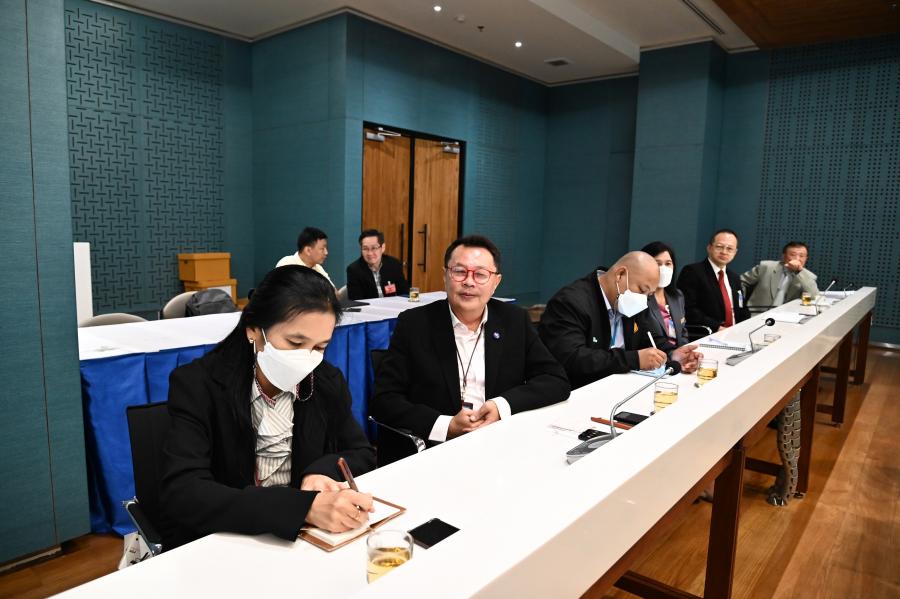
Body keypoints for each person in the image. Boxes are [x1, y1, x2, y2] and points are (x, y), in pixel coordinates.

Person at [160, 265, 376, 550]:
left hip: (302, 542)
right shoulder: (199, 384)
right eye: (295, 342)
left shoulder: (325, 380)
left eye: (320, 347)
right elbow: (184, 492)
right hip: (225, 540)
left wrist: (318, 472)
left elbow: (361, 453)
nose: (306, 359)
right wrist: (302, 508)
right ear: (254, 329)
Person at [371, 235, 570, 466]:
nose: (469, 282)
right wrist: (446, 426)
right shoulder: (414, 324)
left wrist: (501, 406)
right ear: (445, 275)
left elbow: (555, 380)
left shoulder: (514, 320)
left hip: (501, 445)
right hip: (437, 453)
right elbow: (384, 400)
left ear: (496, 282)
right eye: (459, 272)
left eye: (480, 274)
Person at [539, 251, 700, 390]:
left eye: (649, 295)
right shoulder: (571, 302)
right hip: (579, 391)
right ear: (620, 275)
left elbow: (647, 338)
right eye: (642, 290)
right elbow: (572, 358)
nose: (643, 300)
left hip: (621, 387)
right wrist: (633, 359)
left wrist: (672, 353)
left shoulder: (629, 302)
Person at [676, 229, 750, 332]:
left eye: (729, 248)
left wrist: (744, 328)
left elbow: (742, 308)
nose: (724, 252)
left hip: (735, 333)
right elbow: (688, 308)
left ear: (735, 252)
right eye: (719, 247)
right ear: (709, 248)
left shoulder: (734, 278)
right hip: (708, 333)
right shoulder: (693, 272)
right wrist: (717, 327)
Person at [638, 241, 691, 351]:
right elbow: (645, 338)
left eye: (668, 264)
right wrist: (673, 353)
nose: (664, 269)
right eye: (657, 263)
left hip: (679, 355)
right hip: (655, 356)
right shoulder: (639, 297)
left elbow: (683, 332)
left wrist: (685, 351)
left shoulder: (677, 296)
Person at [741, 241, 819, 308]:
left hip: (787, 317)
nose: (797, 259)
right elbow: (740, 282)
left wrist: (799, 272)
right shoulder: (765, 267)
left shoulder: (808, 277)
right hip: (756, 314)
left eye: (801, 256)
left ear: (806, 259)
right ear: (784, 256)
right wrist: (740, 303)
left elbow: (813, 296)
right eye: (793, 255)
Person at [345, 229, 410, 300]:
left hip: (393, 305)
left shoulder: (394, 264)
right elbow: (356, 300)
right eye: (365, 249)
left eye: (374, 248)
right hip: (368, 307)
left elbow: (404, 293)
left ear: (383, 248)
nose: (370, 253)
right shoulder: (354, 270)